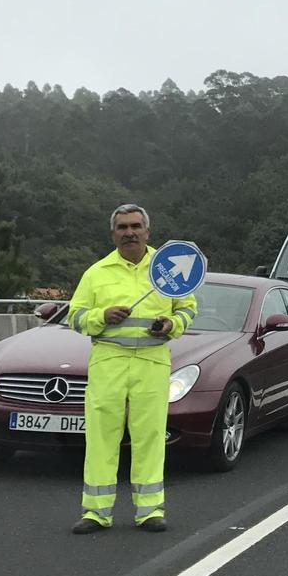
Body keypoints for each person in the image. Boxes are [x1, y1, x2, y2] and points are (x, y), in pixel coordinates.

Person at [66, 204, 197, 534]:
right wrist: (102, 316)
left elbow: (188, 309)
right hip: (109, 362)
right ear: (113, 234)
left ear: (147, 231)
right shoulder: (97, 273)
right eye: (122, 227)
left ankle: (149, 511)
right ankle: (96, 512)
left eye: (136, 226)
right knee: (100, 438)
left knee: (150, 437)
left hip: (152, 363)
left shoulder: (165, 269)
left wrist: (171, 324)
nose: (130, 232)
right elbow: (75, 317)